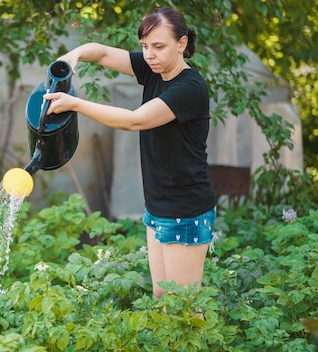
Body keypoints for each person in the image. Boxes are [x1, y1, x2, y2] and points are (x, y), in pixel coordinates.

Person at [44, 7, 216, 302]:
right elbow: (101, 54)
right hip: (158, 205)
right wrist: (73, 55)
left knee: (182, 305)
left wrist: (75, 104)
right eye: (145, 46)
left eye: (159, 47)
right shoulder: (154, 69)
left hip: (185, 209)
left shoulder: (189, 87)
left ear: (182, 44)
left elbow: (133, 120)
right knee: (162, 294)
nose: (150, 54)